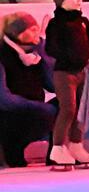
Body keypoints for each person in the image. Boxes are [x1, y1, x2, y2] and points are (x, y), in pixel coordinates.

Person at [40, 0, 89, 170]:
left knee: (82, 110)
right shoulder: (56, 23)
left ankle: (76, 144)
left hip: (84, 71)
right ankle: (58, 148)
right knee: (68, 108)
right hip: (65, 73)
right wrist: (69, 56)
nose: (79, 0)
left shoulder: (83, 22)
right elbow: (51, 48)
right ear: (61, 0)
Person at [0, 13, 54, 168]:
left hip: (32, 111)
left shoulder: (34, 53)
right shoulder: (3, 54)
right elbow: (4, 100)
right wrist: (40, 107)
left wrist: (42, 51)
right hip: (9, 116)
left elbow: (51, 85)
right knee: (46, 112)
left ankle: (57, 152)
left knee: (68, 104)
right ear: (19, 34)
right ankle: (11, 152)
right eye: (32, 29)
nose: (37, 33)